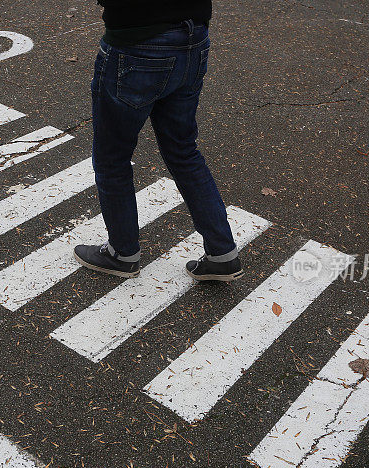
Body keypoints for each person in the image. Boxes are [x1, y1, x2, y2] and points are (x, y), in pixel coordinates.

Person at [73, 0, 242, 282]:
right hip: (192, 36)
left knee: (112, 157)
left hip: (137, 41)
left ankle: (122, 253)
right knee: (183, 150)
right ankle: (222, 254)